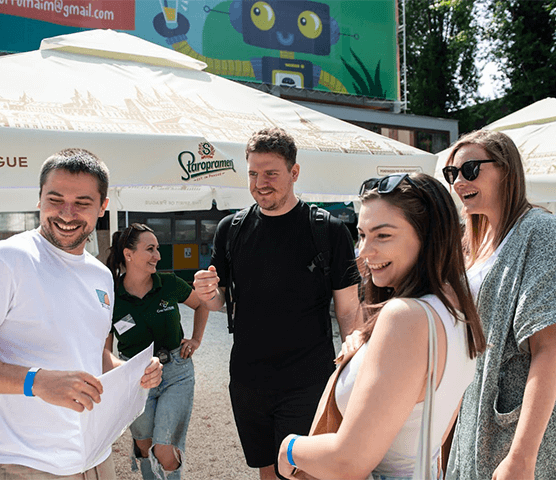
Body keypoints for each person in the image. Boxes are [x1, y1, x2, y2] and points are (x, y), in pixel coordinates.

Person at [0, 148, 163, 478]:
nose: (67, 213)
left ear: (102, 207)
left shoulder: (100, 275)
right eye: (55, 199)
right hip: (23, 464)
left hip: (96, 459)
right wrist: (35, 381)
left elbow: (92, 353)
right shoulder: (5, 261)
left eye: (82, 203)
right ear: (39, 199)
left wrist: (131, 372)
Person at [275, 173, 487, 480]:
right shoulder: (459, 310)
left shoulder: (405, 317)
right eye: (361, 234)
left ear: (428, 236)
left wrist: (289, 448)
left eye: (383, 235)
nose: (363, 251)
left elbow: (348, 462)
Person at [192, 127, 360, 479]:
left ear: (294, 172)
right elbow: (222, 299)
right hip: (248, 379)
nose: (260, 183)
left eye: (271, 173)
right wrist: (209, 296)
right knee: (267, 472)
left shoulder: (327, 230)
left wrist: (355, 370)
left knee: (298, 473)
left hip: (308, 379)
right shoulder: (231, 229)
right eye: (253, 173)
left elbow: (348, 309)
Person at [442, 130, 556, 479]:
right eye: (451, 173)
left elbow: (550, 349)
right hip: (482, 407)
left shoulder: (541, 231)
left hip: (534, 421)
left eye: (470, 169)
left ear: (506, 170)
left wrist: (523, 455)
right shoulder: (473, 240)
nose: (458, 182)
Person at [105, 223, 209, 480]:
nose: (158, 256)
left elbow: (202, 304)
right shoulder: (110, 296)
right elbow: (104, 351)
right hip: (134, 376)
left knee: (164, 449)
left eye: (157, 249)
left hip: (177, 372)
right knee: (144, 444)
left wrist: (195, 339)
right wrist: (118, 379)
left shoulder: (168, 283)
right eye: (150, 249)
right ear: (128, 254)